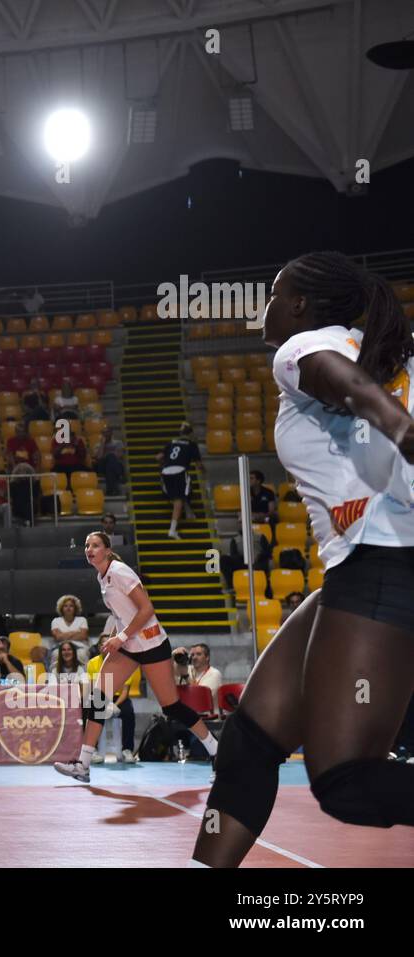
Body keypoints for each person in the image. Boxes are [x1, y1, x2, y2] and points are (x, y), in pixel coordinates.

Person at [193, 252, 414, 867]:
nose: (264, 307)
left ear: (297, 305)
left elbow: (339, 380)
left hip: (383, 563)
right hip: (364, 566)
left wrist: (400, 427)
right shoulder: (381, 348)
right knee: (248, 741)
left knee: (346, 781)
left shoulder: (306, 346)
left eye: (271, 293)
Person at [54, 532, 218, 784]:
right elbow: (123, 614)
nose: (89, 549)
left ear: (108, 550)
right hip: (129, 645)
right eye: (87, 545)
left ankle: (217, 752)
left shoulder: (120, 571)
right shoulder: (102, 575)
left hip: (152, 643)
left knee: (171, 706)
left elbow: (147, 609)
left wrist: (120, 638)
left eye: (95, 545)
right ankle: (83, 765)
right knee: (97, 699)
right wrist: (115, 636)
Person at [85, 639, 140, 763]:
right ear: (100, 647)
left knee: (128, 711)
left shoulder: (125, 662)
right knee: (89, 710)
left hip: (118, 698)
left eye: (109, 643)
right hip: (100, 695)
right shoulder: (92, 663)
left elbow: (125, 691)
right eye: (103, 644)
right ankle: (92, 749)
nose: (107, 646)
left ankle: (127, 750)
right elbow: (93, 687)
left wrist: (114, 705)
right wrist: (105, 703)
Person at [157, 422, 202, 540]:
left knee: (180, 494)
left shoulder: (171, 442)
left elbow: (158, 457)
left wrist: (166, 463)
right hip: (180, 471)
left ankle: (188, 511)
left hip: (166, 471)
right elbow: (199, 464)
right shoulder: (191, 444)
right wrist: (204, 471)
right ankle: (172, 529)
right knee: (180, 498)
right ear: (191, 433)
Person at [50, 594, 89, 660]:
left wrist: (63, 634)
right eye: (65, 606)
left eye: (71, 606)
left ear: (75, 608)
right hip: (60, 648)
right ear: (61, 608)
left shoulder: (82, 620)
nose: (68, 608)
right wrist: (75, 632)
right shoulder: (55, 621)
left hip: (79, 647)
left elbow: (83, 636)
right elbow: (58, 637)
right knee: (55, 654)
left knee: (82, 654)